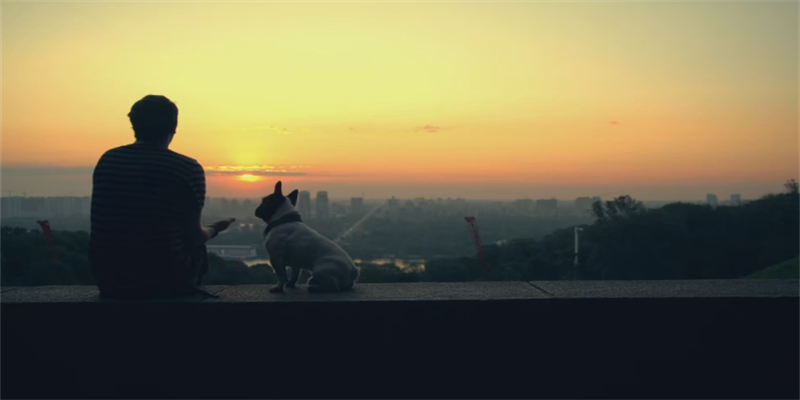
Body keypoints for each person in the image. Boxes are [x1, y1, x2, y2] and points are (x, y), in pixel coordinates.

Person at [89, 95, 234, 299]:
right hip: (164, 279)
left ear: (134, 125)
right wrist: (216, 228)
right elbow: (194, 237)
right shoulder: (186, 167)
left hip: (109, 277)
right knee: (197, 248)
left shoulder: (109, 159)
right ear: (173, 127)